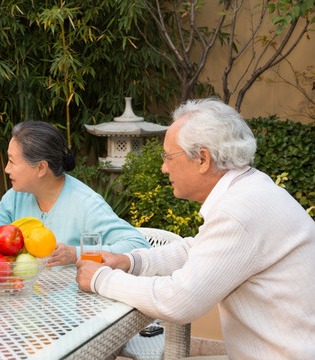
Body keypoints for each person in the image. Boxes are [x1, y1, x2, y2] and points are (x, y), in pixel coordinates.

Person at [76, 98, 315, 359]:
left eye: (168, 156)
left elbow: (179, 301)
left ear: (202, 158)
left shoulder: (238, 210)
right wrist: (129, 261)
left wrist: (101, 279)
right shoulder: (250, 188)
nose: (163, 167)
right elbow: (199, 249)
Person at [0, 121, 149, 266]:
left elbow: (138, 245)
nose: (6, 169)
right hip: (23, 302)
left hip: (76, 312)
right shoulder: (16, 197)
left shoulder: (86, 204)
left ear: (41, 168)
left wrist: (77, 254)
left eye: (12, 161)